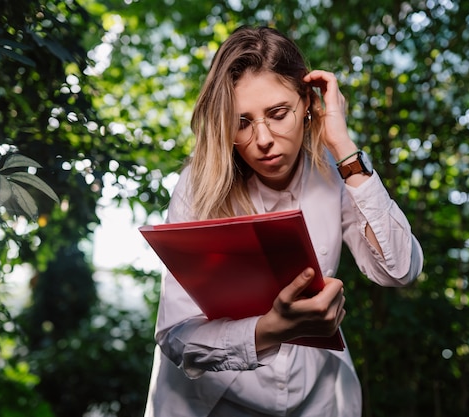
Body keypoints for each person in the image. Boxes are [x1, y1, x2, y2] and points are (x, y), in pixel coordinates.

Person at [144, 26, 423, 417]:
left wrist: (344, 148)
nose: (263, 139)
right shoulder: (198, 184)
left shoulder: (334, 170)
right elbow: (176, 337)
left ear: (308, 102)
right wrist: (271, 328)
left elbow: (400, 270)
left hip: (318, 397)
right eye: (242, 122)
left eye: (278, 114)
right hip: (216, 401)